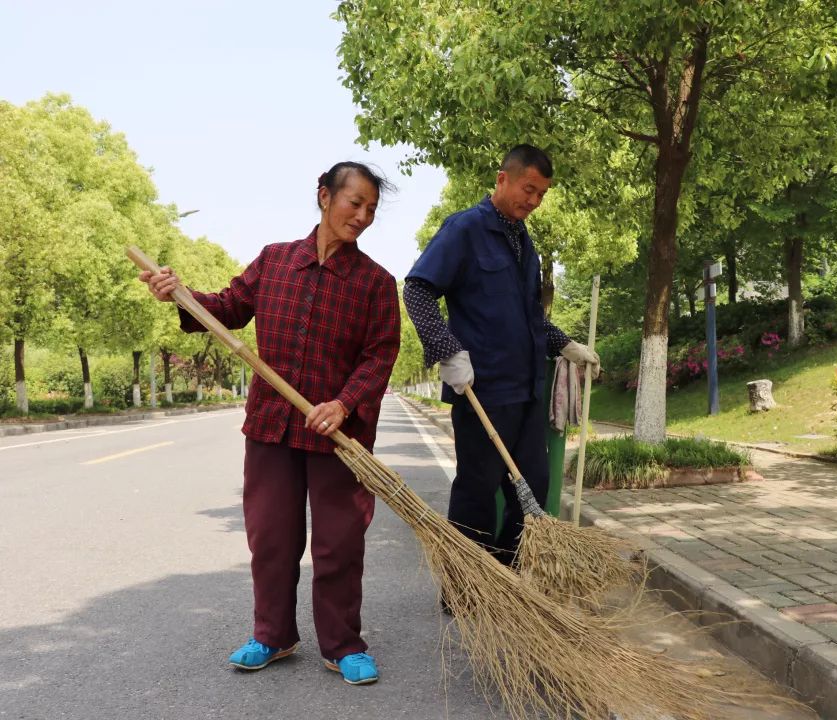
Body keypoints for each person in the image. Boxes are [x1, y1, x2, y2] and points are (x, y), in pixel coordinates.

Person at [139, 162, 400, 685]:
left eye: (371, 208)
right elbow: (228, 308)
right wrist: (180, 295)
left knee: (339, 543)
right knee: (272, 539)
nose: (364, 216)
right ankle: (273, 635)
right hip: (272, 428)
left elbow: (380, 354)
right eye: (355, 203)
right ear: (324, 197)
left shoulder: (375, 282)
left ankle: (343, 644)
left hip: (338, 436)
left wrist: (344, 404)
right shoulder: (275, 261)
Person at [403, 144, 600, 568]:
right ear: (502, 179)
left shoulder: (523, 243)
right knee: (478, 489)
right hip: (483, 390)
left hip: (528, 390)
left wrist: (565, 344)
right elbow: (417, 289)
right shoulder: (465, 230)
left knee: (531, 488)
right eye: (528, 189)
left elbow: (530, 318)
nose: (533, 201)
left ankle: (507, 579)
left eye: (541, 195)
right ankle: (467, 585)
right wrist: (447, 351)